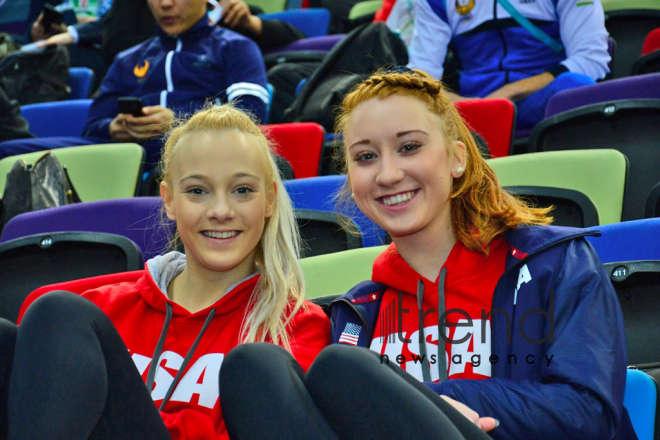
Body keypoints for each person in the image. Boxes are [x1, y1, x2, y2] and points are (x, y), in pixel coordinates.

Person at [218, 68, 636, 439]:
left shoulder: (557, 263)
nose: (388, 173)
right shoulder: (357, 313)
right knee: (254, 369)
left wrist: (433, 400)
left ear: (456, 159)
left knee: (342, 370)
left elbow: (589, 413)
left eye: (409, 147)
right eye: (365, 157)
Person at [0, 104, 331, 439]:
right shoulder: (101, 313)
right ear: (169, 200)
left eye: (242, 190)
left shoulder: (296, 326)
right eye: (197, 191)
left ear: (270, 199)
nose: (220, 210)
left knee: (59, 310)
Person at [0, 0, 269, 168]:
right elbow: (93, 125)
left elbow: (250, 114)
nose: (165, 4)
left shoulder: (236, 47)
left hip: (198, 151)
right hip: (120, 154)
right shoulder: (128, 58)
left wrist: (182, 122)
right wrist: (115, 128)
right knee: (8, 154)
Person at [407, 0, 611, 131]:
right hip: (469, 108)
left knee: (576, 85)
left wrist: (507, 93)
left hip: (537, 99)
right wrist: (458, 102)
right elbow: (422, 71)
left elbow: (590, 58)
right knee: (415, 99)